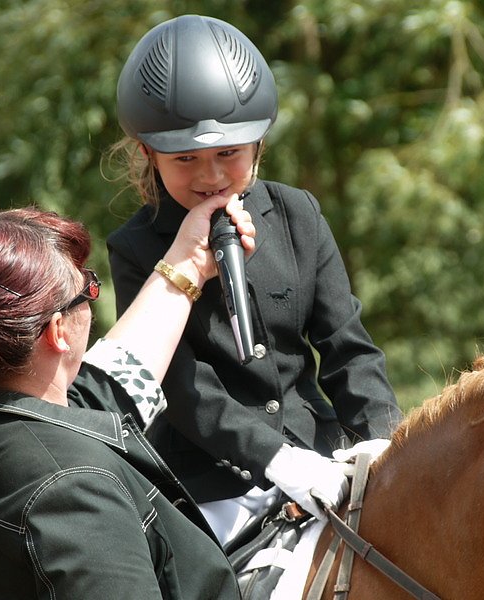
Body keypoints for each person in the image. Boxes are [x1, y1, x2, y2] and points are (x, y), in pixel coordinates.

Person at [107, 13, 403, 545]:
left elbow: (347, 347)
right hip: (213, 486)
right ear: (149, 153)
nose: (212, 177)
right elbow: (178, 385)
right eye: (186, 160)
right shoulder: (135, 248)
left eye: (228, 154)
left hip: (324, 458)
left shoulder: (298, 214)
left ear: (258, 144)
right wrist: (275, 457)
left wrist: (382, 441)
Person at [0, 195, 253, 599]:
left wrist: (191, 263)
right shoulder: (74, 489)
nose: (95, 297)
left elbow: (111, 385)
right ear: (58, 330)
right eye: (89, 288)